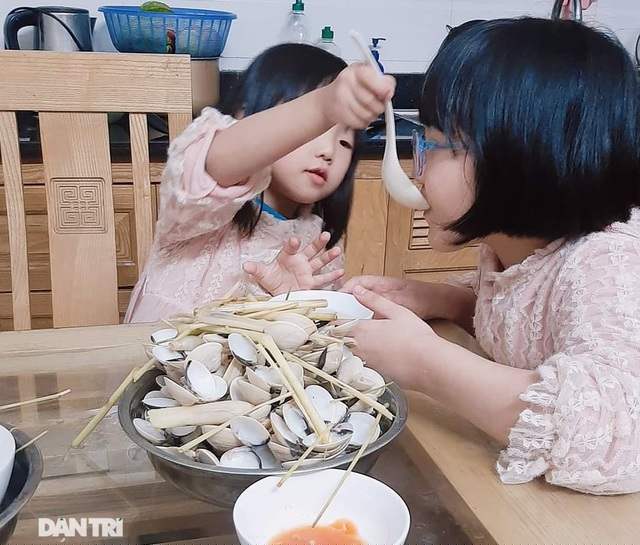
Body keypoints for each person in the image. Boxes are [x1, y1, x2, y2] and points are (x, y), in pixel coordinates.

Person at [342, 18, 640, 494]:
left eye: (433, 144)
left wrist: (422, 362)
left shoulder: (607, 263)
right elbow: (526, 323)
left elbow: (617, 432)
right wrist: (445, 301)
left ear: (519, 156)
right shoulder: (509, 250)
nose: (417, 170)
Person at [125, 43, 394, 323]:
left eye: (344, 142)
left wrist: (292, 304)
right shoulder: (202, 210)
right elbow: (214, 160)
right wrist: (322, 106)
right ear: (246, 118)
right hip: (153, 348)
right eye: (312, 131)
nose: (328, 152)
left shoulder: (318, 242)